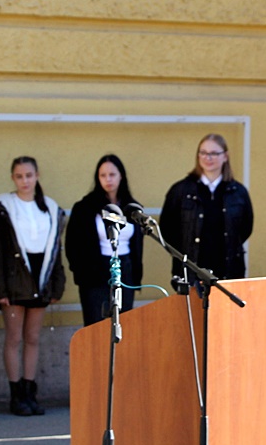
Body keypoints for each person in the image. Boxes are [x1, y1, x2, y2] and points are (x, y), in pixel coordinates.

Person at [0, 157, 65, 417]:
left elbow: (55, 250)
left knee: (32, 337)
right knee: (14, 338)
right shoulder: (4, 208)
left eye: (29, 175)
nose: (25, 181)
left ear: (37, 176)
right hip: (14, 278)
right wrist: (0, 291)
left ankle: (30, 390)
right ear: (13, 178)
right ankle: (16, 393)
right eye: (19, 176)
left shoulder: (50, 208)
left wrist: (57, 285)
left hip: (39, 278)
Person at [160, 134, 253, 290]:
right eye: (203, 153)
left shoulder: (238, 192)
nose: (208, 158)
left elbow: (245, 228)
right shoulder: (181, 190)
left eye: (214, 153)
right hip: (190, 273)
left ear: (225, 156)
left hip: (228, 271)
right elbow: (167, 229)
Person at [65, 155, 144, 326]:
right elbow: (72, 245)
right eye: (103, 175)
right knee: (97, 324)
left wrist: (135, 274)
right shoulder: (85, 207)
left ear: (121, 176)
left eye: (112, 174)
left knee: (123, 323)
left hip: (125, 269)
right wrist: (80, 271)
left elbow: (137, 244)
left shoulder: (132, 207)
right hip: (95, 272)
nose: (108, 179)